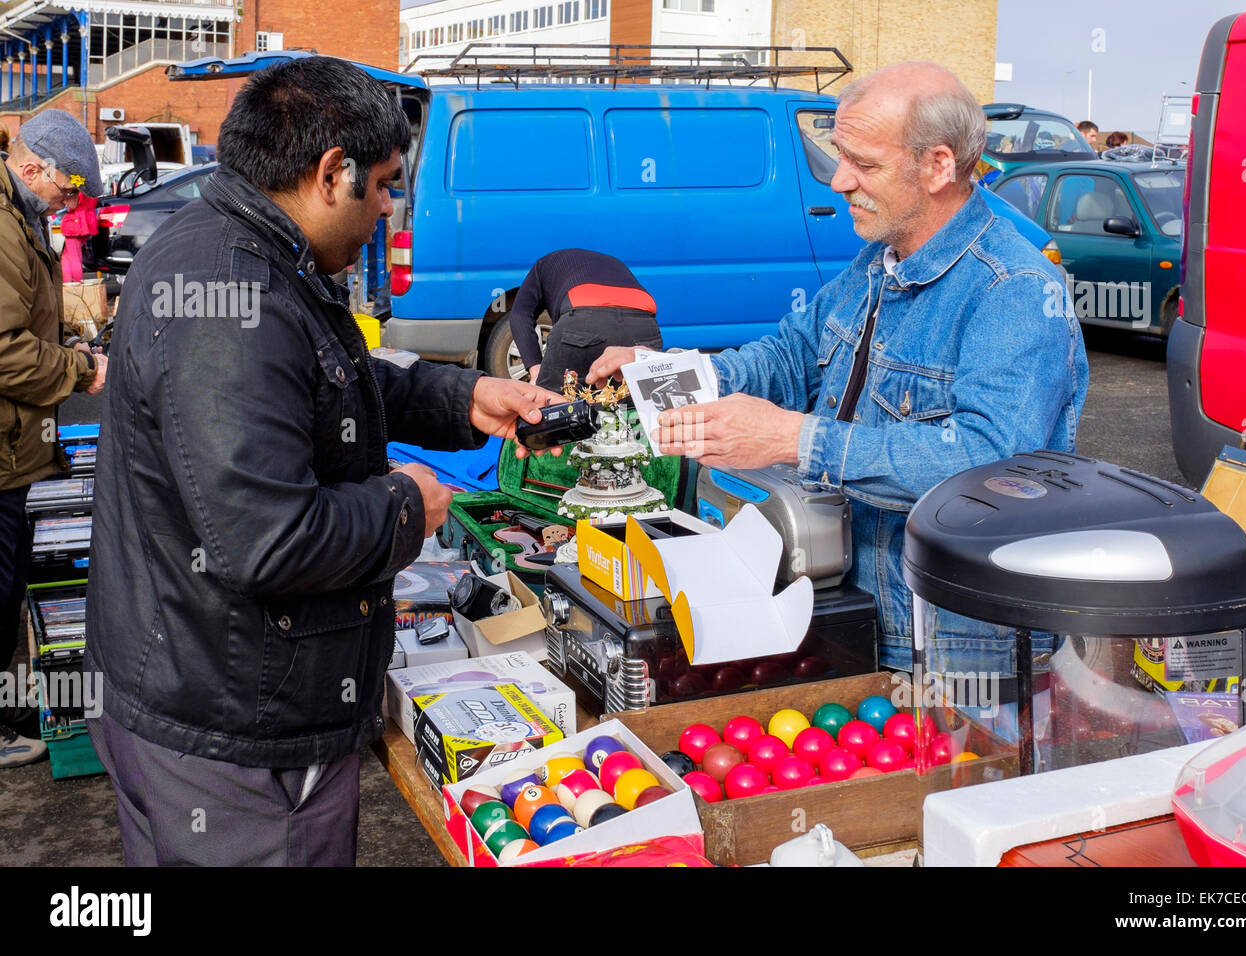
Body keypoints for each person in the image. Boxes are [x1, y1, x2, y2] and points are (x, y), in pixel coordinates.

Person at [83, 57, 560, 865]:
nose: (384, 209)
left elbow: (319, 384)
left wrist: (461, 400)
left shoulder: (237, 249)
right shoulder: (231, 291)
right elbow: (267, 538)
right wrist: (407, 508)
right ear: (329, 173)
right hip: (236, 732)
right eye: (380, 186)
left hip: (196, 688)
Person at [589, 62, 1088, 677]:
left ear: (938, 166)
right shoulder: (880, 260)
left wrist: (790, 439)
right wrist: (674, 372)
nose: (839, 180)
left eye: (866, 165)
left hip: (956, 652)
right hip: (860, 617)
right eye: (839, 156)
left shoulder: (1013, 291)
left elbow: (987, 466)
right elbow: (792, 356)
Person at [1, 109, 107, 768]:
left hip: (15, 449)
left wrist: (64, 342)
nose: (71, 202)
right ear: (34, 164)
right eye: (67, 188)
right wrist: (80, 369)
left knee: (7, 591)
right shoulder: (4, 228)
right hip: (3, 450)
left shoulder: (23, 217)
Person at [505, 248, 661, 390]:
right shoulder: (614, 262)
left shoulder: (542, 265)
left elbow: (520, 314)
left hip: (584, 319)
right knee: (630, 405)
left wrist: (535, 368)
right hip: (643, 324)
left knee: (554, 406)